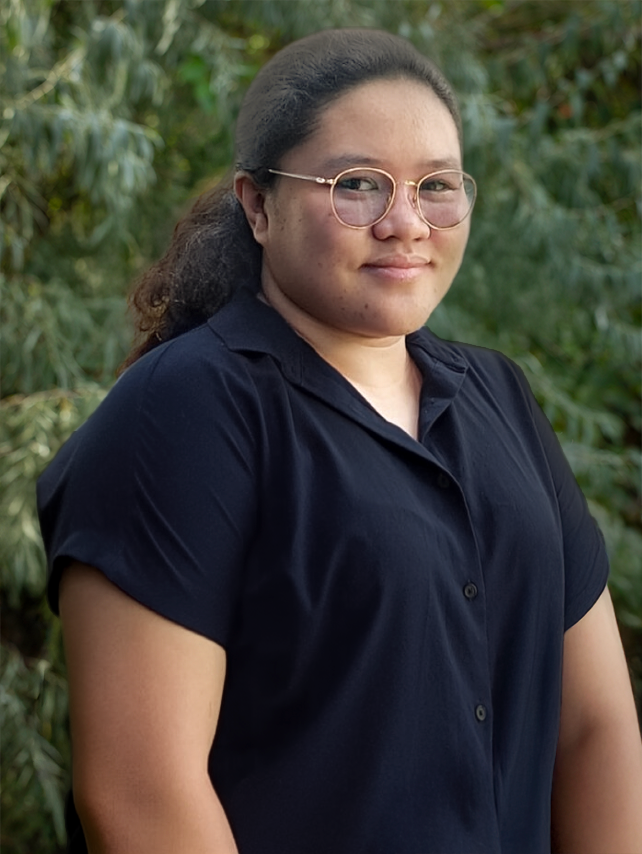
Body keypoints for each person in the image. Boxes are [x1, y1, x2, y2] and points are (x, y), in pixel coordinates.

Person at [37, 27, 642, 854]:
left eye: (436, 186)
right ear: (257, 204)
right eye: (358, 184)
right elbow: (141, 796)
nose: (405, 223)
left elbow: (596, 729)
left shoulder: (499, 397)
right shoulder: (184, 413)